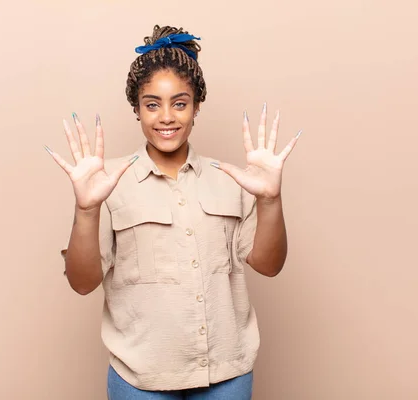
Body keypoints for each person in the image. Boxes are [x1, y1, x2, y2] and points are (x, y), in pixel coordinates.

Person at [45, 25, 301, 400]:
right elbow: (83, 283)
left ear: (196, 107)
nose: (166, 116)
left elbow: (269, 264)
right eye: (152, 104)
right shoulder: (106, 183)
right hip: (141, 381)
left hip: (227, 376)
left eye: (179, 103)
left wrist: (271, 200)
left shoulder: (231, 180)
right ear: (136, 109)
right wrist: (86, 210)